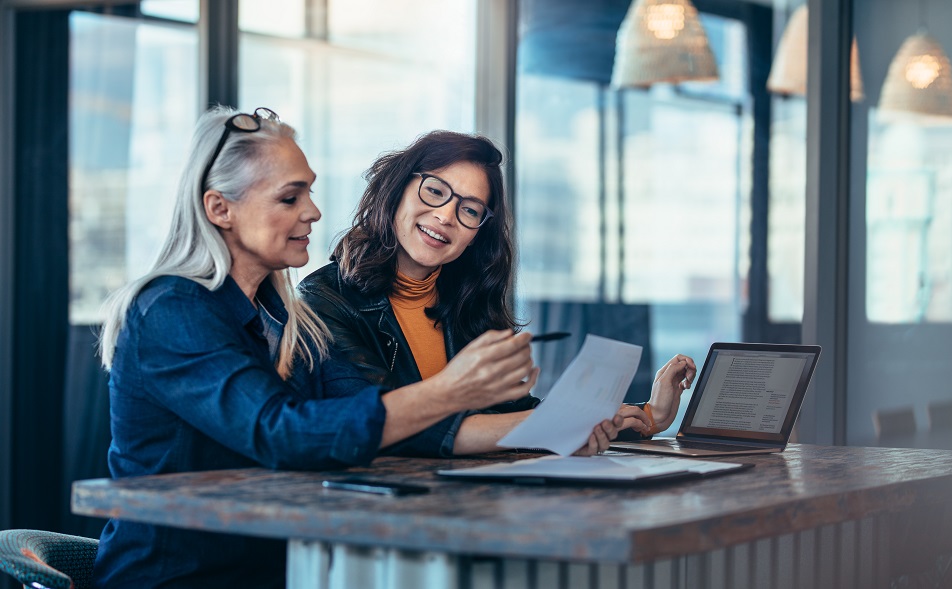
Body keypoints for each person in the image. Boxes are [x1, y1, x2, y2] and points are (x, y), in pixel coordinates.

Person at [92, 107, 627, 588]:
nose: (314, 213)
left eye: (309, 192)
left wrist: (564, 426)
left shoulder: (281, 314)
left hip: (286, 565)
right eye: (290, 197)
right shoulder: (172, 310)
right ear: (219, 208)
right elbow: (283, 434)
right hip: (184, 577)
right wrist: (451, 389)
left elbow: (356, 417)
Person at [299, 130, 697, 454]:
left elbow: (513, 414)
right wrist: (555, 427)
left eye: (469, 210)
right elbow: (387, 425)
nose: (446, 216)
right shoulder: (323, 301)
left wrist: (647, 415)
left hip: (469, 504)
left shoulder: (466, 304)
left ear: (477, 235)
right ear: (397, 190)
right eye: (435, 191)